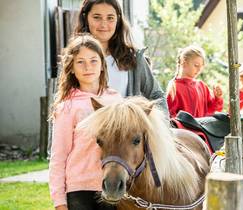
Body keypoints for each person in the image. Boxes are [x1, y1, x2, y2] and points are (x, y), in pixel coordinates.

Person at [49, 34, 120, 210]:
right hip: (81, 190)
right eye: (80, 62)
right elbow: (59, 156)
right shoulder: (68, 106)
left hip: (115, 185)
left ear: (103, 65)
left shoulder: (116, 100)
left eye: (94, 60)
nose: (88, 66)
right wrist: (59, 202)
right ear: (71, 68)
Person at [74, 0, 168, 113]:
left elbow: (156, 95)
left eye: (110, 18)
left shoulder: (133, 58)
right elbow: (60, 105)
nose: (103, 24)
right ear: (86, 18)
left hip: (127, 129)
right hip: (84, 129)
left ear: (118, 20)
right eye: (97, 17)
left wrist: (162, 128)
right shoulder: (74, 58)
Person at [166, 45, 223, 118]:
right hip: (182, 129)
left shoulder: (201, 86)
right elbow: (170, 115)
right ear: (184, 62)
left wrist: (217, 97)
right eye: (196, 65)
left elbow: (213, 110)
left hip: (201, 129)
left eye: (201, 66)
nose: (199, 69)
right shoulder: (174, 87)